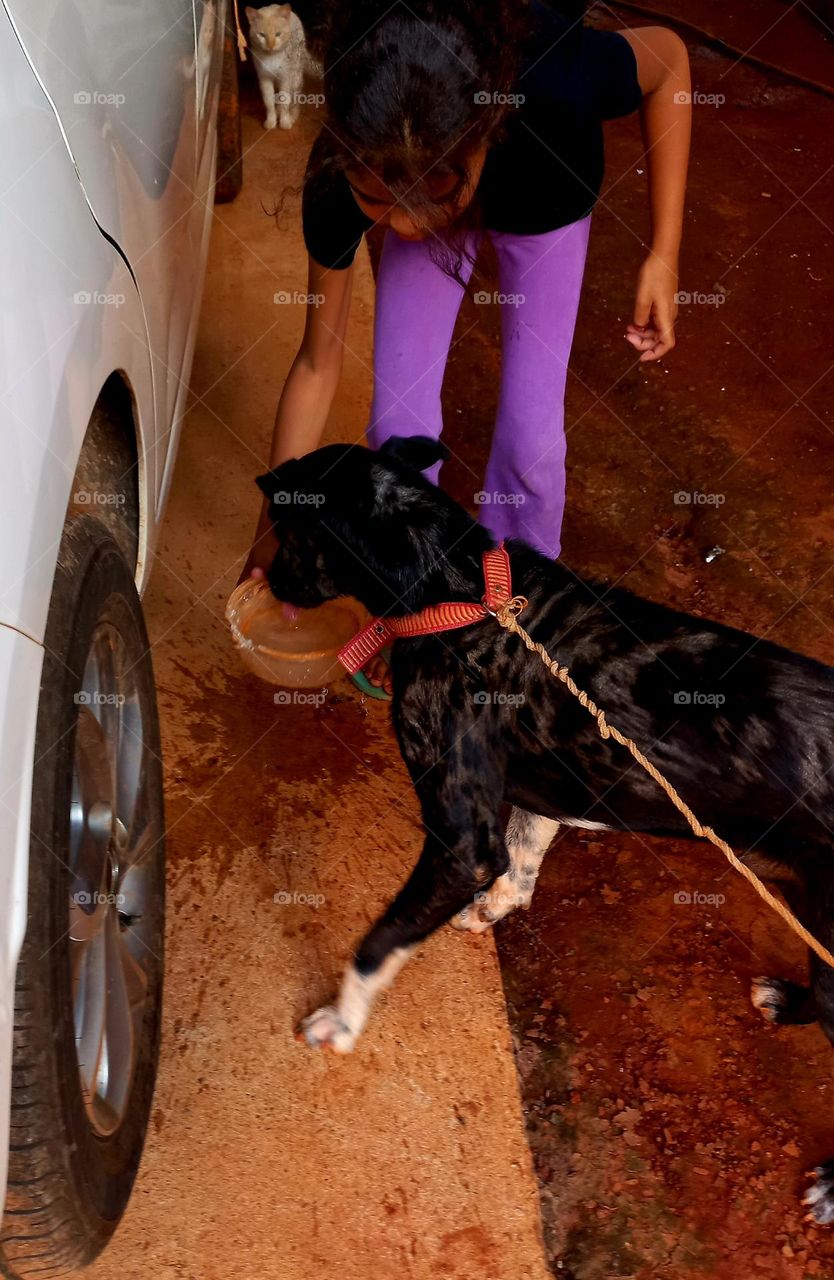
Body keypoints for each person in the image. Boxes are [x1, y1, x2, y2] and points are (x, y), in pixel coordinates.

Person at [243, 0, 691, 695]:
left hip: (545, 196)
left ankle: (513, 618)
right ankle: (417, 609)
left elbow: (671, 64)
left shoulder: (555, 81)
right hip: (438, 168)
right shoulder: (347, 167)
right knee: (399, 426)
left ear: (483, 132)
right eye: (377, 200)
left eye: (428, 196)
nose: (404, 227)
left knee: (531, 444)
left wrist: (663, 253)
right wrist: (275, 531)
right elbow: (316, 363)